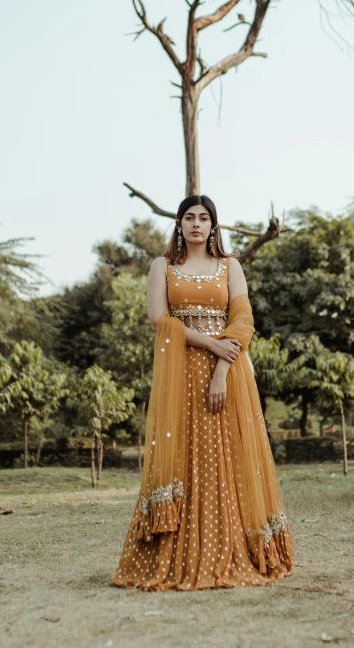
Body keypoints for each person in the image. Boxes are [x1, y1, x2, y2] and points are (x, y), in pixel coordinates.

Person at [112, 195, 294, 591]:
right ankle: (178, 551)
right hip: (182, 374)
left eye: (204, 218)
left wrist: (222, 368)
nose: (196, 224)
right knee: (186, 454)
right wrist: (210, 344)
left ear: (214, 226)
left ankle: (236, 547)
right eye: (189, 217)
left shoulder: (230, 267)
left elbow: (242, 318)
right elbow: (160, 319)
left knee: (228, 456)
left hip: (229, 373)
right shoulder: (162, 266)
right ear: (179, 224)